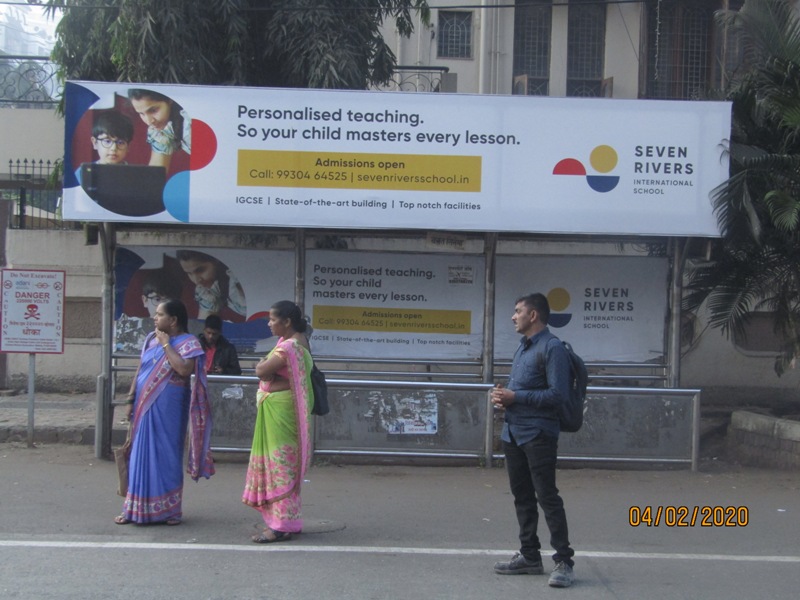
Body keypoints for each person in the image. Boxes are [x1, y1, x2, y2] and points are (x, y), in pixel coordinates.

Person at [491, 293, 576, 588]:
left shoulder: (552, 348)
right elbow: (522, 390)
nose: (514, 317)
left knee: (547, 497)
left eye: (518, 311)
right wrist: (505, 400)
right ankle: (529, 556)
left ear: (534, 315)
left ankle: (564, 561)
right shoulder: (523, 348)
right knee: (523, 498)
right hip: (513, 433)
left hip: (539, 434)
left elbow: (558, 395)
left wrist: (517, 397)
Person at [114, 299, 214, 526]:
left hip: (169, 406)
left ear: (174, 320)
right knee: (140, 453)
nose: (154, 318)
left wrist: (167, 345)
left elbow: (183, 369)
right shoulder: (150, 339)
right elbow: (141, 369)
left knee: (166, 454)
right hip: (144, 404)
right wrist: (130, 399)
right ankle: (133, 508)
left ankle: (169, 510)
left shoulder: (188, 342)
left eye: (159, 314)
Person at [242, 300, 314, 543]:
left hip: (282, 411)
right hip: (281, 409)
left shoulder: (290, 347)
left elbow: (261, 370)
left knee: (280, 466)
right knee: (282, 465)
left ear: (287, 322)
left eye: (273, 320)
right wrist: (265, 369)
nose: (270, 324)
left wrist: (262, 368)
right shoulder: (293, 343)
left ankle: (281, 525)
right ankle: (285, 522)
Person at [127, 88, 191, 171]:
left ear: (169, 99)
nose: (149, 121)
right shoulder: (162, 129)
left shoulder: (190, 124)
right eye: (141, 113)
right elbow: (154, 175)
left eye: (153, 110)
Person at [176, 249, 246, 322]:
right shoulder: (207, 290)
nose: (196, 280)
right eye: (189, 273)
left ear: (216, 260)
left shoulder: (237, 280)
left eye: (200, 270)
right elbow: (204, 323)